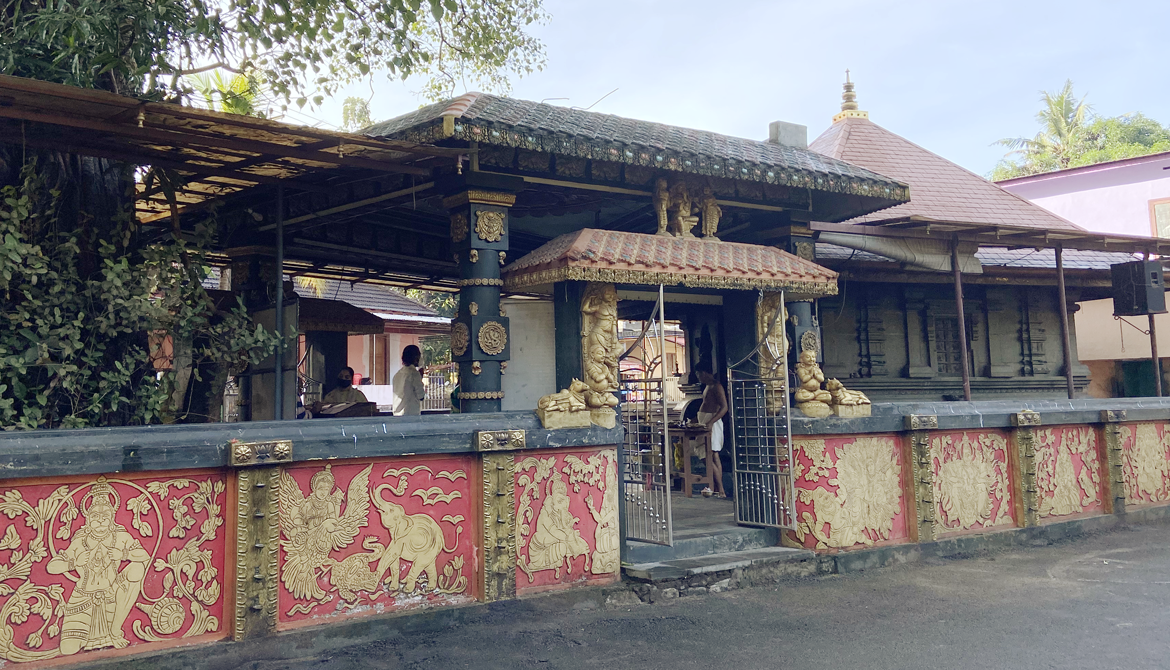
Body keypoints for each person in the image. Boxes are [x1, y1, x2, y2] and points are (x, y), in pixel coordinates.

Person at [694, 361, 727, 497]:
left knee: (707, 454)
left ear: (705, 373)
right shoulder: (708, 386)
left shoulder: (716, 386)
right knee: (713, 455)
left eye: (699, 374)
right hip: (706, 420)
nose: (698, 378)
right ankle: (718, 489)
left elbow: (724, 407)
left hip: (712, 422)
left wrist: (711, 422)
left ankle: (721, 489)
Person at [392, 345, 426, 416]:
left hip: (397, 415)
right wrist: (420, 378)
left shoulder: (397, 374)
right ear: (416, 358)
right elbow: (421, 396)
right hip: (411, 415)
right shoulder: (414, 374)